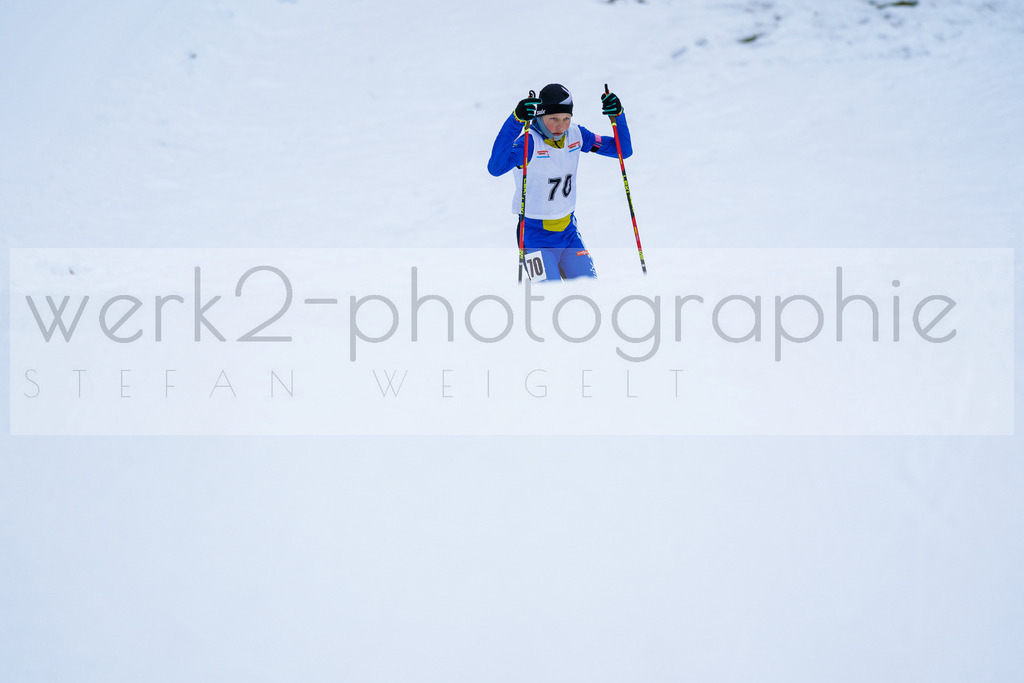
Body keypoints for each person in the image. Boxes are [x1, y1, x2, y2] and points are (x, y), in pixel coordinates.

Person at [487, 83, 632, 281]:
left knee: (590, 291)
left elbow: (623, 150)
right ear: (540, 116)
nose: (560, 126)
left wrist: (618, 115)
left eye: (566, 118)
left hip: (569, 234)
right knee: (550, 296)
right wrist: (516, 120)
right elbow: (496, 168)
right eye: (553, 118)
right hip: (534, 237)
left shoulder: (576, 135)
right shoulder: (529, 143)